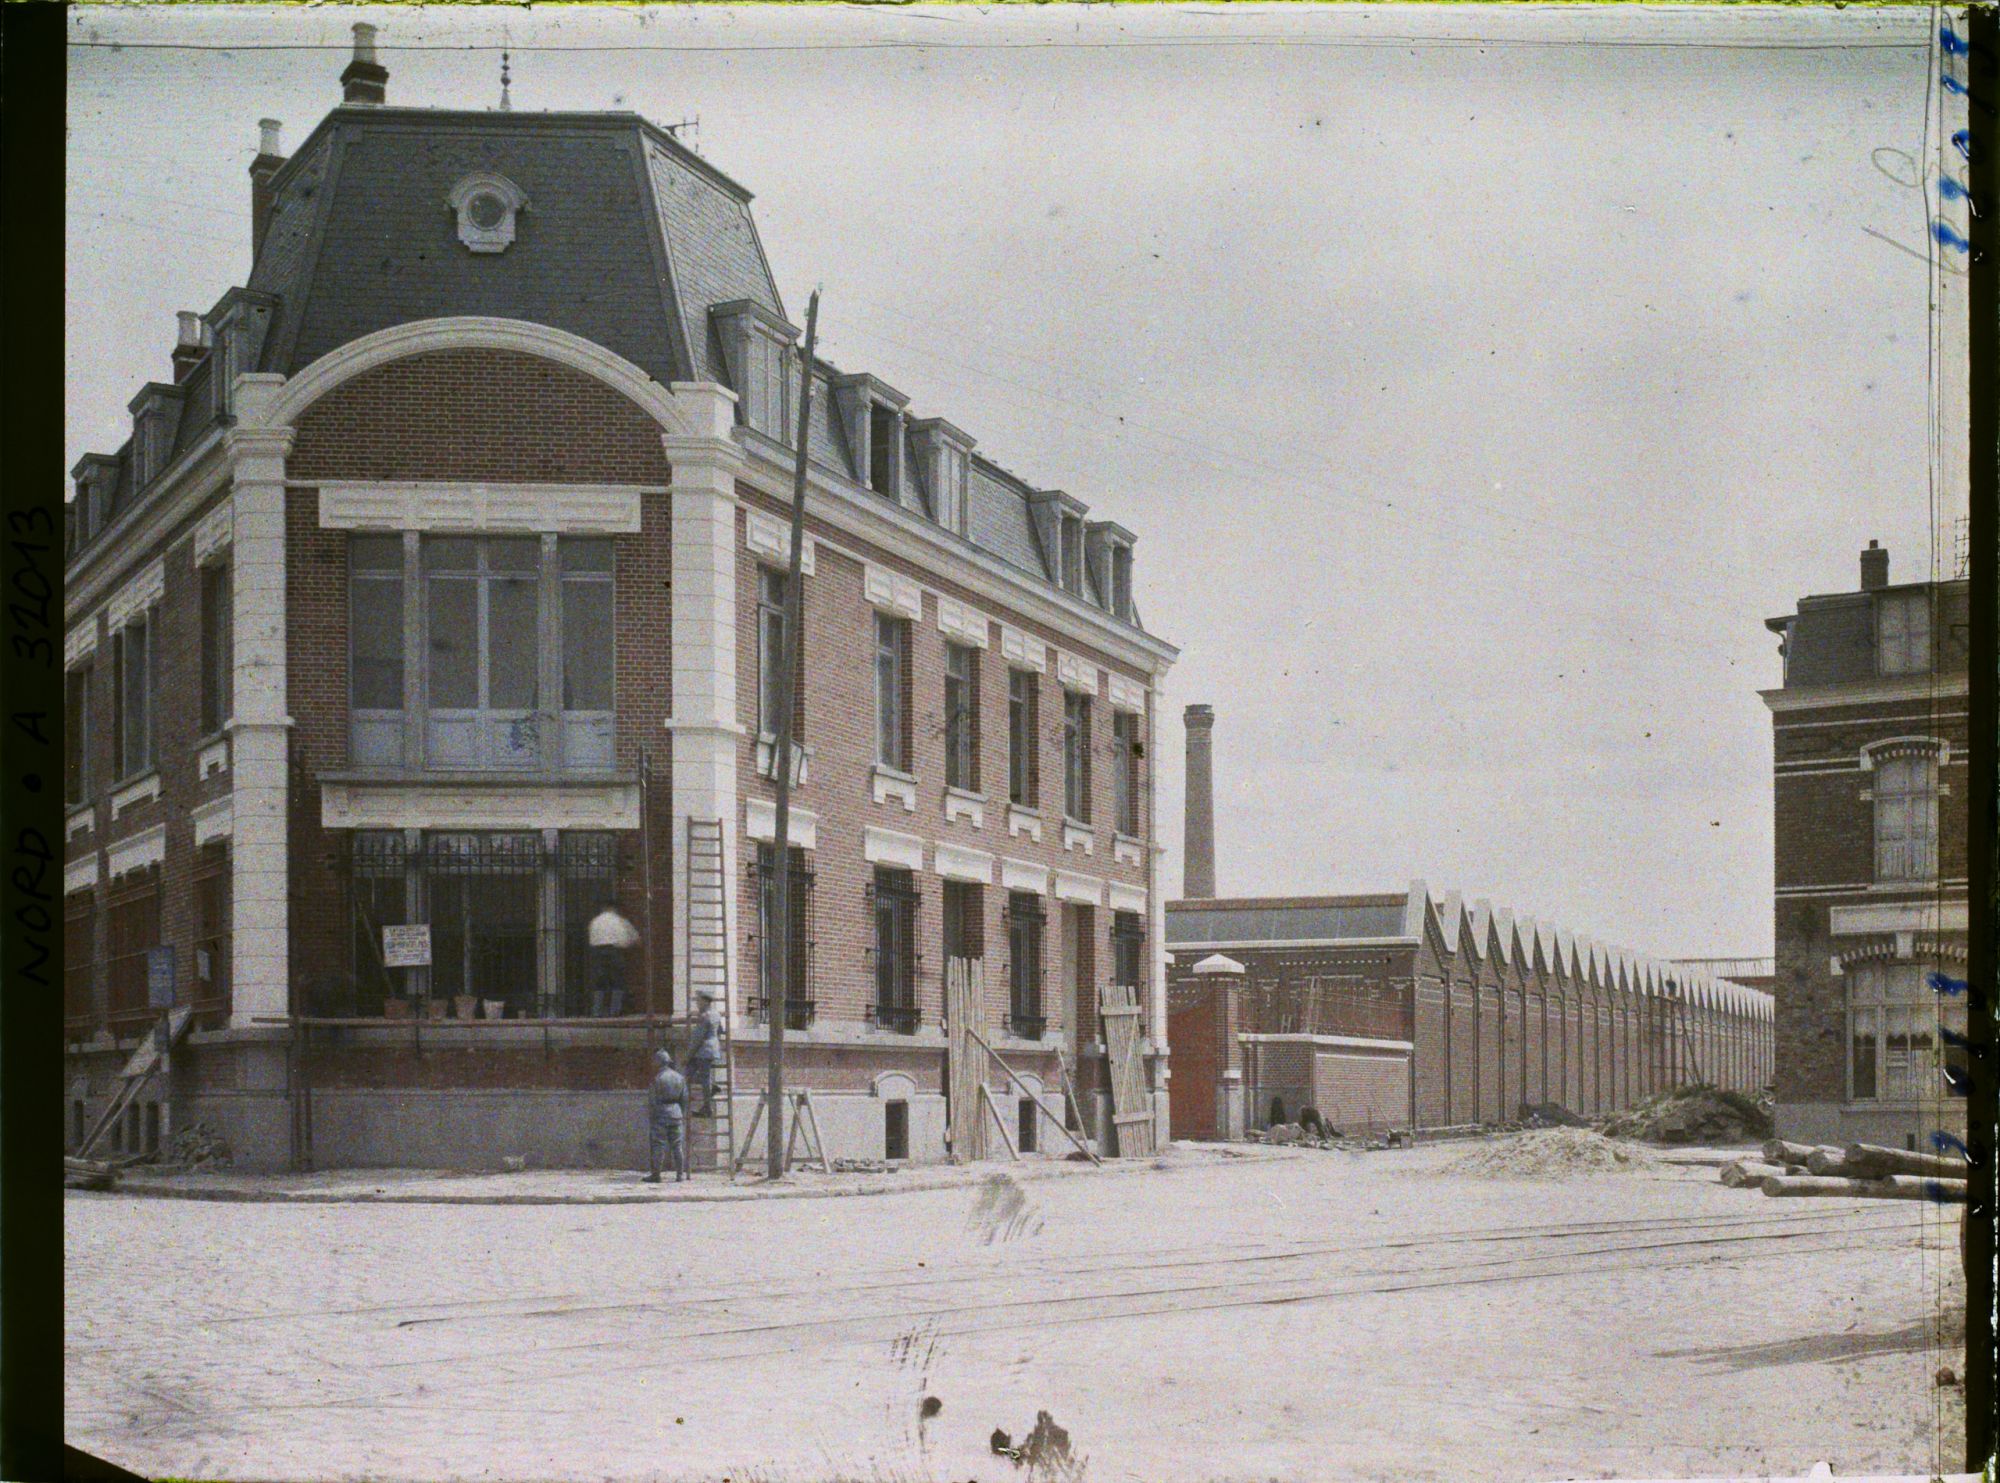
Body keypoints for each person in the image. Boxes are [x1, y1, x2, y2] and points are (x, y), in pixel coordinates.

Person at [587, 902, 639, 1017]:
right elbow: (631, 938)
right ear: (614, 908)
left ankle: (597, 1011)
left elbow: (591, 938)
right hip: (615, 952)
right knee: (617, 981)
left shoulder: (595, 921)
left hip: (597, 952)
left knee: (599, 982)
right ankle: (615, 1011)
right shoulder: (619, 920)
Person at [646, 1049, 688, 1183]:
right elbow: (684, 1099)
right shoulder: (680, 1078)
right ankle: (680, 1175)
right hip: (676, 1113)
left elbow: (652, 1100)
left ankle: (656, 1175)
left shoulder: (657, 1078)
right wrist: (682, 1113)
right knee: (677, 1145)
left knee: (658, 1145)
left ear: (659, 1062)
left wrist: (652, 1116)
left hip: (661, 1113)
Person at [685, 989, 723, 1117]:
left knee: (700, 1077)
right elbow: (720, 1030)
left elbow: (698, 1039)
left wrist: (688, 1056)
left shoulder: (705, 1016)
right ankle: (711, 1088)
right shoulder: (716, 1014)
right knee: (690, 1074)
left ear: (706, 1002)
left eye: (699, 1000)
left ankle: (707, 1107)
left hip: (703, 1051)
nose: (697, 1003)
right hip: (711, 1049)